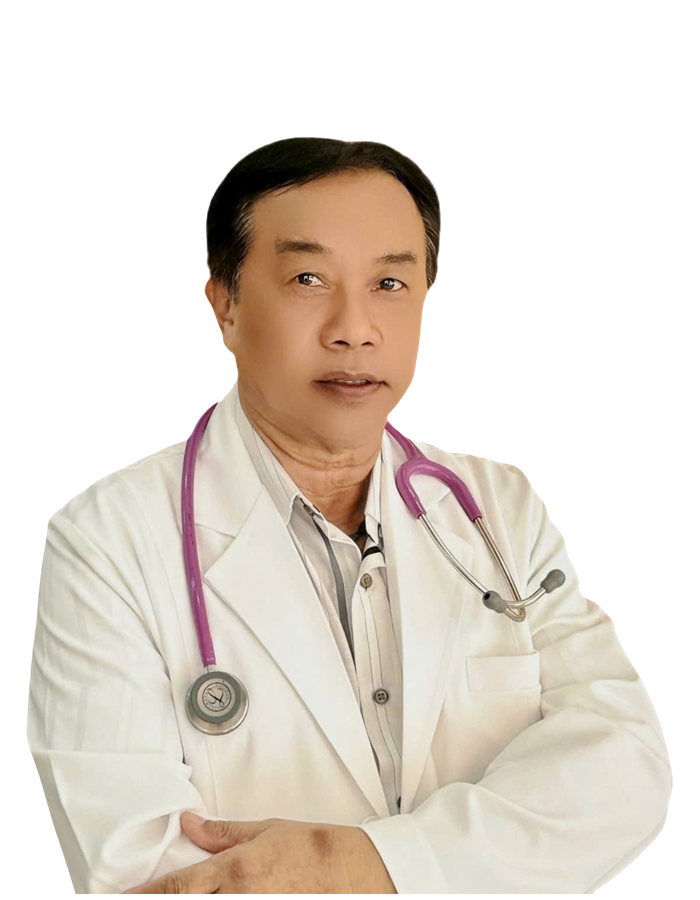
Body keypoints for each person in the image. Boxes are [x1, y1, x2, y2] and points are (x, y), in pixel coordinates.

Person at [26, 136, 672, 894]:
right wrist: (473, 857)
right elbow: (143, 869)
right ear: (225, 304)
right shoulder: (107, 541)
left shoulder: (497, 509)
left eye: (390, 283)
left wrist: (364, 862)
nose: (355, 328)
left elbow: (624, 770)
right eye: (308, 279)